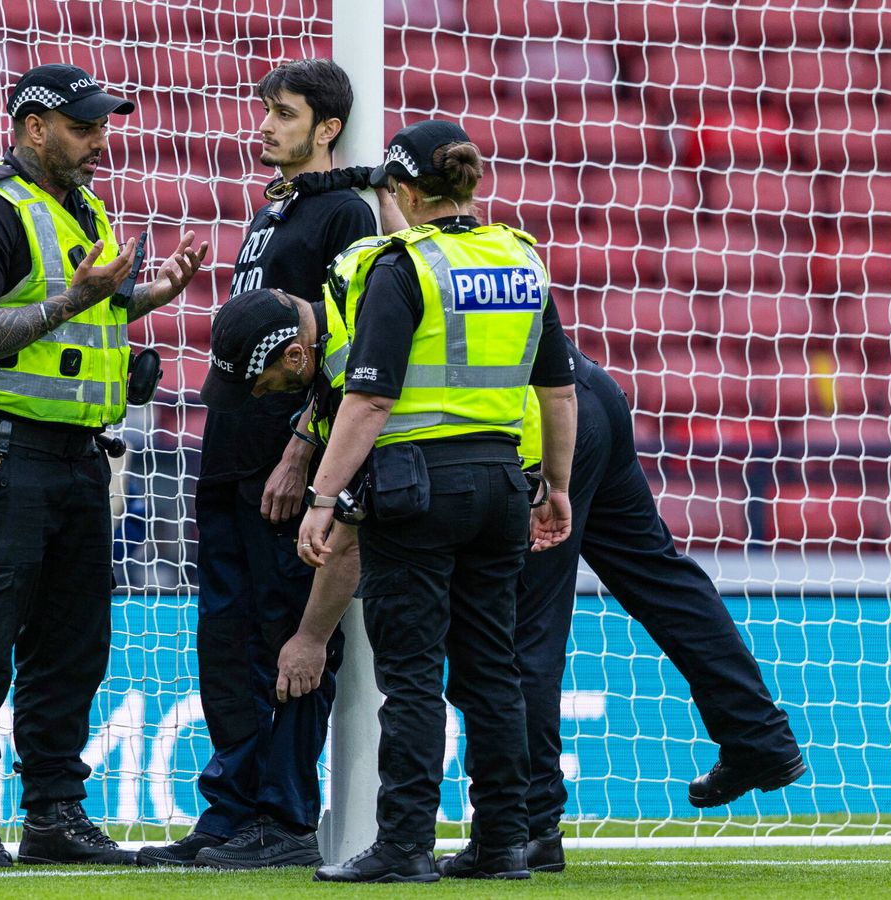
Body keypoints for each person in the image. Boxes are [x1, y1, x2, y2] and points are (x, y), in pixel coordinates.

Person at [218, 119, 580, 883]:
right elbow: (557, 386)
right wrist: (559, 484)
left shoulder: (400, 266)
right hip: (501, 483)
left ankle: (405, 842)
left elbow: (369, 400)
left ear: (405, 192)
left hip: (417, 487)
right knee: (491, 669)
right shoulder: (521, 259)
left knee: (411, 674)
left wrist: (322, 497)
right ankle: (505, 840)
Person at [0, 63, 207, 869]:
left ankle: (52, 811)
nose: (99, 141)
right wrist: (78, 301)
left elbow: (85, 314)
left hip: (81, 458)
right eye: (84, 127)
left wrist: (146, 293)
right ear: (34, 127)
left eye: (102, 125)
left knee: (73, 644)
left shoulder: (84, 208)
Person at [136, 59, 376, 870]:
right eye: (266, 110)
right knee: (226, 641)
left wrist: (302, 449)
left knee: (287, 636)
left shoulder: (345, 214)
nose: (267, 124)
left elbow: (344, 352)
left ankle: (285, 814)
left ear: (327, 128)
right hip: (229, 456)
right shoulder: (275, 214)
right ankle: (231, 811)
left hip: (284, 464)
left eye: (285, 113)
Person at [511, 343, 806, 873]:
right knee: (661, 577)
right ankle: (758, 735)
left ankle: (528, 827)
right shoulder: (516, 256)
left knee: (523, 629)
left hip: (539, 421)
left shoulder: (385, 265)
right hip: (591, 391)